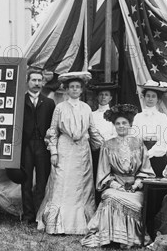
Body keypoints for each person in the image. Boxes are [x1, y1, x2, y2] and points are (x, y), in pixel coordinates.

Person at [36, 71, 104, 235]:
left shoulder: (86, 108)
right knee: (61, 183)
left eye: (77, 87)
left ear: (81, 90)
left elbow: (93, 131)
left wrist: (105, 147)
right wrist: (53, 152)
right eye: (71, 87)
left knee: (81, 186)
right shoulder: (60, 107)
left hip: (82, 150)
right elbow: (53, 131)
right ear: (66, 89)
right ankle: (56, 224)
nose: (74, 90)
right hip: (64, 148)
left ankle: (81, 224)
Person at [81, 104, 155, 248]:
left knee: (136, 203)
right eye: (118, 123)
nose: (121, 126)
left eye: (124, 123)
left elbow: (146, 169)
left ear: (130, 124)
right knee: (109, 197)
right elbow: (104, 172)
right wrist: (116, 186)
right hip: (114, 186)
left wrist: (136, 184)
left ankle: (128, 239)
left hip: (135, 188)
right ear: (114, 126)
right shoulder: (107, 145)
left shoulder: (139, 143)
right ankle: (110, 237)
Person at [20, 68, 56, 225]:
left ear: (43, 82)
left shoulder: (49, 103)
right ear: (27, 82)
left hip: (43, 146)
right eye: (33, 80)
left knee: (42, 181)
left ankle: (40, 215)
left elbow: (53, 127)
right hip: (26, 146)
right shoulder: (20, 101)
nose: (36, 83)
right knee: (26, 181)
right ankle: (28, 215)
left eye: (38, 80)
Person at [133, 80, 167, 177]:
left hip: (157, 157)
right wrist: (141, 155)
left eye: (153, 96)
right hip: (140, 157)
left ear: (158, 99)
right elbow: (135, 138)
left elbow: (163, 142)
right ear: (144, 97)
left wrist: (149, 154)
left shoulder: (162, 117)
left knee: (158, 186)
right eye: (148, 96)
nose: (150, 99)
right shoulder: (138, 116)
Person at [89, 83, 117, 203]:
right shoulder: (92, 115)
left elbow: (116, 134)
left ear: (110, 98)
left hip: (109, 151)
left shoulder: (115, 115)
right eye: (100, 95)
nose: (103, 97)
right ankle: (95, 203)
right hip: (95, 151)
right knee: (95, 177)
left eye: (106, 95)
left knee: (108, 177)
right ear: (97, 97)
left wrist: (106, 144)